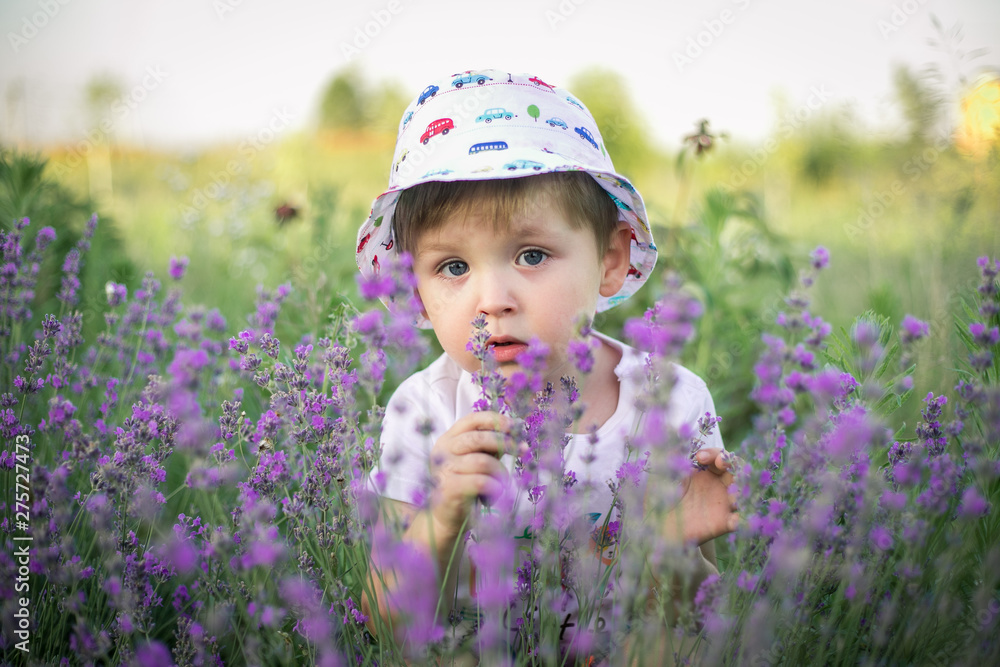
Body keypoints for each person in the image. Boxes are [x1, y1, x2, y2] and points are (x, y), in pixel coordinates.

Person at [356, 68, 738, 662]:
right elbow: (386, 625)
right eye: (452, 267)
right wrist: (442, 513)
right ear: (414, 289)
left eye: (531, 255)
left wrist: (671, 548)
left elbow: (696, 625)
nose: (492, 301)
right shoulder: (424, 409)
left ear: (609, 259)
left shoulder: (668, 401)